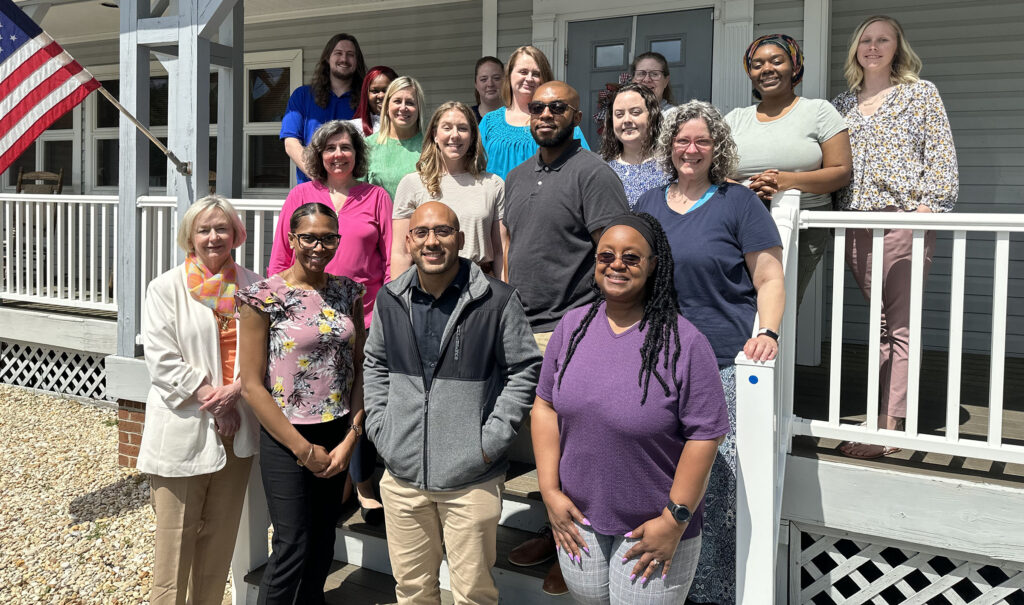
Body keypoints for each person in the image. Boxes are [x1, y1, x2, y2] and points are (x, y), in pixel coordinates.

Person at [532, 213, 729, 604]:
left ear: (654, 265)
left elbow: (706, 435)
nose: (616, 264)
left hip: (651, 527)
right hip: (578, 519)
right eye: (606, 255)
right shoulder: (571, 328)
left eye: (631, 257)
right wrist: (549, 491)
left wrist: (674, 520)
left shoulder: (686, 343)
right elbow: (544, 407)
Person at [634, 100, 785, 605]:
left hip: (721, 363)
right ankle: (662, 586)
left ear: (716, 147)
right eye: (682, 140)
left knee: (714, 490)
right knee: (659, 475)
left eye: (701, 141)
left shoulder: (738, 202)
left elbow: (768, 277)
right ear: (668, 146)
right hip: (658, 362)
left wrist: (769, 332)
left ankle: (713, 593)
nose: (690, 149)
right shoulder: (650, 204)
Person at [363, 201, 542, 605]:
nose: (432, 241)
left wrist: (489, 443)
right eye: (422, 232)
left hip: (471, 479)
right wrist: (380, 427)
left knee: (473, 594)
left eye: (443, 232)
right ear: (408, 241)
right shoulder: (391, 299)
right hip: (403, 476)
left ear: (460, 240)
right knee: (411, 591)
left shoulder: (496, 300)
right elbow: (374, 362)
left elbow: (525, 369)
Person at [502, 80, 629, 595]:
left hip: (571, 326)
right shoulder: (515, 176)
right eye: (538, 108)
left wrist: (601, 323)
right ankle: (553, 530)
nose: (546, 114)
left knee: (578, 439)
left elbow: (614, 252)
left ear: (575, 116)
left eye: (557, 108)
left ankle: (573, 547)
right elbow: (512, 249)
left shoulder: (593, 173)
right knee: (545, 441)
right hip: (521, 325)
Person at [831, 15, 957, 459]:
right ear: (856, 50)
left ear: (897, 48)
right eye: (865, 39)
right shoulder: (842, 104)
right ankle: (882, 418)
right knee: (880, 324)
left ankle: (889, 430)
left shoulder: (919, 94)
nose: (873, 47)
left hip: (903, 219)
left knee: (900, 326)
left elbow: (941, 156)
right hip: (857, 223)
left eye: (882, 40)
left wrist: (927, 209)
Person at [238, 202, 366, 604]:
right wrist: (303, 449)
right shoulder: (264, 297)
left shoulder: (347, 291)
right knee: (292, 543)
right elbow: (251, 386)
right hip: (288, 436)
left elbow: (359, 366)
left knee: (324, 537)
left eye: (329, 238)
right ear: (292, 239)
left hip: (337, 429)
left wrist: (351, 438)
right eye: (309, 237)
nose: (319, 246)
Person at [267, 119, 391, 522]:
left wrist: (386, 311)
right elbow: (280, 258)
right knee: (321, 396)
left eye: (347, 147)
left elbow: (389, 260)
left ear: (358, 154)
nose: (339, 154)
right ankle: (332, 483)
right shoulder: (302, 194)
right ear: (319, 155)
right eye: (331, 147)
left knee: (360, 394)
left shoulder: (374, 197)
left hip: (362, 314)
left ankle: (363, 480)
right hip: (304, 319)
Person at [139, 195, 261, 605]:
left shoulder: (253, 286)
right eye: (204, 229)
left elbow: (265, 355)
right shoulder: (165, 288)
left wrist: (238, 391)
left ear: (236, 235)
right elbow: (161, 360)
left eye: (222, 228)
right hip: (186, 427)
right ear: (190, 236)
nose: (213, 237)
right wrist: (216, 399)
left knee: (219, 543)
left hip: (239, 427)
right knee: (175, 545)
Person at [725, 33, 851, 306]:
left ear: (795, 67)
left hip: (799, 228)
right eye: (757, 64)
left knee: (779, 306)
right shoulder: (735, 118)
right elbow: (712, 173)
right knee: (738, 304)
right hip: (740, 225)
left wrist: (786, 181)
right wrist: (744, 187)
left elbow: (841, 171)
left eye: (776, 61)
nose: (766, 69)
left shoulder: (819, 111)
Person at [392, 101, 505, 278]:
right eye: (447, 128)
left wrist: (505, 297)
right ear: (435, 135)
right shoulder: (411, 184)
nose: (455, 135)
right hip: (428, 287)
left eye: (462, 128)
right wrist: (398, 300)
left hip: (481, 286)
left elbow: (501, 252)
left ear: (473, 136)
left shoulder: (493, 184)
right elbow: (402, 253)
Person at [479, 46, 590, 180]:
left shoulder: (560, 120)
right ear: (509, 75)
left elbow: (584, 165)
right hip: (497, 200)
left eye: (536, 74)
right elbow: (473, 166)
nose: (529, 78)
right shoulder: (489, 121)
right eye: (523, 72)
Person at [280, 33, 367, 184]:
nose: (344, 59)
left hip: (355, 191)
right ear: (327, 58)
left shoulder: (366, 99)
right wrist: (318, 176)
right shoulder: (302, 96)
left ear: (357, 61)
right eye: (338, 53)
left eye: (350, 55)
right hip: (312, 189)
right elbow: (291, 142)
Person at [599, 83, 671, 208]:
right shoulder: (600, 168)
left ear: (652, 116)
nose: (627, 120)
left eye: (635, 112)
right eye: (619, 114)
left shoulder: (671, 166)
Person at [365, 76, 426, 200]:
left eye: (410, 102)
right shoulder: (367, 146)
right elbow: (358, 195)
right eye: (397, 101)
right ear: (387, 106)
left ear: (419, 108)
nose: (403, 108)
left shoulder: (432, 145)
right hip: (379, 219)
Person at [351, 65, 398, 137]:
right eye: (375, 91)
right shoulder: (354, 129)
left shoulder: (406, 126)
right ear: (366, 94)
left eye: (386, 90)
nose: (381, 95)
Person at [472, 56, 504, 122]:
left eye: (496, 78)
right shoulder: (467, 117)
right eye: (484, 79)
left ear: (505, 82)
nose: (490, 84)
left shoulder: (515, 117)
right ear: (476, 84)